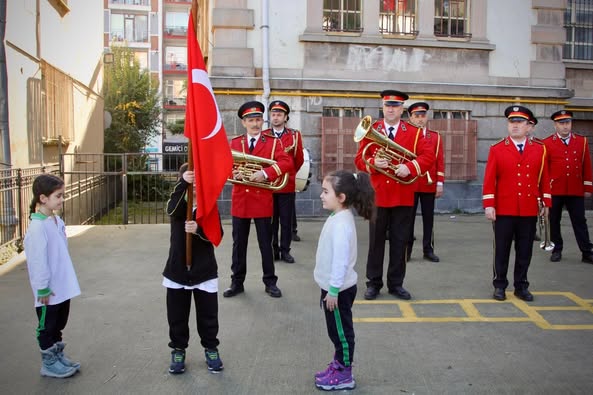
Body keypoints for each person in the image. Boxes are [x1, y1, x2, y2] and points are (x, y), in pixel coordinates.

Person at [355, 89, 434, 301]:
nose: (391, 109)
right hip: (378, 196)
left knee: (400, 242)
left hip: (403, 195)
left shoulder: (415, 132)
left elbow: (429, 157)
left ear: (402, 109)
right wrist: (372, 163)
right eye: (388, 105)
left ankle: (396, 284)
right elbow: (359, 160)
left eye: (396, 106)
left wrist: (412, 167)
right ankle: (373, 283)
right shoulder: (372, 129)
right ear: (383, 107)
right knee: (375, 243)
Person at [313, 170, 375, 391]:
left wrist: (333, 291)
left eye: (326, 191)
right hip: (332, 289)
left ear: (341, 198)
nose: (321, 195)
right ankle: (338, 364)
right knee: (335, 331)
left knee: (342, 333)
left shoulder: (342, 224)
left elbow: (340, 262)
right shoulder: (337, 216)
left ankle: (344, 373)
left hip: (337, 291)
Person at [224, 101, 292, 298]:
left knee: (266, 244)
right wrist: (233, 172)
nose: (255, 124)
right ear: (243, 123)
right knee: (239, 245)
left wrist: (266, 173)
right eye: (251, 120)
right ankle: (237, 282)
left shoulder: (272, 141)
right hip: (241, 201)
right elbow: (226, 165)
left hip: (262, 200)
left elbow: (287, 162)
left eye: (258, 120)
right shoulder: (236, 143)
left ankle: (270, 282)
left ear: (263, 121)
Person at [483, 105, 551, 302]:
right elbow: (489, 180)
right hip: (504, 208)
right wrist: (489, 204)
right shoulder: (497, 149)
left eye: (519, 122)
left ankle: (521, 285)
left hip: (529, 208)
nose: (515, 126)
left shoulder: (540, 149)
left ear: (529, 126)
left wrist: (546, 203)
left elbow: (544, 178)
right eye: (512, 122)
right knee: (501, 249)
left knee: (524, 250)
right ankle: (500, 285)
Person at [162, 163, 223, 375]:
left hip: (203, 270)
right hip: (178, 270)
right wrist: (182, 184)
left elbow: (217, 235)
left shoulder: (209, 205)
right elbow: (171, 209)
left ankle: (211, 348)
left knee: (208, 314)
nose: (195, 184)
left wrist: (199, 229)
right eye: (191, 179)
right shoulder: (180, 203)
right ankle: (178, 349)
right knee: (177, 315)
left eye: (198, 180)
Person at [24, 173, 81, 378]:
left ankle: (58, 356)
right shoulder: (38, 227)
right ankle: (48, 363)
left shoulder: (55, 220)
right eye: (58, 196)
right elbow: (38, 261)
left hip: (62, 286)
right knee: (46, 326)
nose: (62, 199)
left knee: (58, 323)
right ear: (43, 198)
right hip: (48, 290)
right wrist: (42, 288)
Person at [543, 110, 593, 264]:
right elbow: (544, 170)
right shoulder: (546, 143)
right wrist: (544, 192)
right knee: (554, 221)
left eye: (568, 122)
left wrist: (588, 187)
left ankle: (587, 252)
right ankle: (557, 250)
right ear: (555, 125)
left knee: (580, 221)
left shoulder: (581, 141)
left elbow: (587, 165)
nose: (565, 126)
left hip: (575, 188)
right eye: (561, 123)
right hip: (555, 190)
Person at [265, 100, 304, 263]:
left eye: (279, 114)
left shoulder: (294, 135)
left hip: (287, 185)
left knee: (286, 221)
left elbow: (299, 159)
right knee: (271, 221)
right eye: (273, 114)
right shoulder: (264, 135)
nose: (276, 117)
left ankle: (285, 251)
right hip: (269, 185)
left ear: (285, 117)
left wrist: (288, 174)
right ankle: (273, 250)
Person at [406, 102, 445, 262]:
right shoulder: (406, 134)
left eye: (423, 116)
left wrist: (440, 183)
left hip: (429, 183)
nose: (420, 119)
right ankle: (406, 250)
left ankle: (428, 249)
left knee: (429, 219)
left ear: (426, 117)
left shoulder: (435, 136)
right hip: (410, 183)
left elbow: (439, 161)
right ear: (410, 117)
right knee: (408, 219)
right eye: (417, 116)